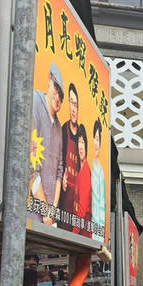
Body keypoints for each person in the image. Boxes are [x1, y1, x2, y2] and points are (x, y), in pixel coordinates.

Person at [30, 61, 64, 226]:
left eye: (61, 96)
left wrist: (53, 211)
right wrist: (45, 209)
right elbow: (30, 163)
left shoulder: (58, 127)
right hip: (29, 211)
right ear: (48, 80)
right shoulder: (34, 102)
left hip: (48, 218)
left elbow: (59, 170)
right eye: (56, 89)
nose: (57, 98)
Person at [59, 82, 80, 228]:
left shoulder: (81, 135)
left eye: (76, 104)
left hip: (79, 205)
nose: (73, 108)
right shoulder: (62, 131)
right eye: (71, 103)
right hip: (64, 203)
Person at [72, 125, 92, 237]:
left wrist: (73, 233)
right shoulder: (81, 169)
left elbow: (82, 209)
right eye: (79, 142)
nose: (80, 147)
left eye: (83, 142)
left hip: (82, 232)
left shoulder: (85, 172)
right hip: (82, 230)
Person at [90, 118, 106, 242]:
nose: (96, 143)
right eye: (94, 139)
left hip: (96, 227)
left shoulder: (100, 169)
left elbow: (101, 203)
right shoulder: (90, 164)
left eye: (98, 139)